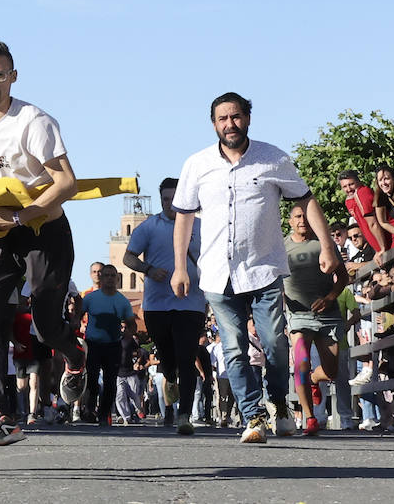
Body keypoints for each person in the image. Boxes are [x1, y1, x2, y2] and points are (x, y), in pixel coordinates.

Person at [171, 91, 341, 444]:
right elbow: (184, 217)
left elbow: (305, 200)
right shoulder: (197, 164)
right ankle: (254, 416)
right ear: (213, 123)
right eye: (222, 119)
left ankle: (278, 403)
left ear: (247, 118)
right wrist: (179, 267)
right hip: (218, 271)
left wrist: (328, 245)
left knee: (275, 346)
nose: (229, 124)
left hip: (263, 269)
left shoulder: (274, 159)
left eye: (235, 117)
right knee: (233, 348)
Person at [0, 40, 85, 447]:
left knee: (45, 328)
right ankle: (1, 414)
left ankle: (75, 356)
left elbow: (66, 181)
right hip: (2, 233)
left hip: (45, 232)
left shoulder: (34, 121)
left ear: (13, 75)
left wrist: (24, 215)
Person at [122, 176, 207, 435]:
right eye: (165, 200)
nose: (170, 204)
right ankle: (169, 376)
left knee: (187, 356)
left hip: (191, 302)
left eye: (174, 199)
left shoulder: (200, 226)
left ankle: (184, 416)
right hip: (157, 304)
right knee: (168, 358)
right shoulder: (149, 227)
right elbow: (128, 257)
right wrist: (148, 269)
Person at [283, 203, 350, 436]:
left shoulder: (324, 244)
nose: (302, 220)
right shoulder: (282, 247)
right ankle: (309, 418)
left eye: (305, 216)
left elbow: (343, 277)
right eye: (297, 217)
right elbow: (272, 281)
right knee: (300, 363)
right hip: (298, 316)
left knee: (332, 372)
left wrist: (330, 298)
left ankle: (314, 378)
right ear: (290, 221)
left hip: (327, 314)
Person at [80, 263, 137, 425]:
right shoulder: (90, 298)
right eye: (107, 275)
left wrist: (127, 334)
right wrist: (78, 325)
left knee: (111, 382)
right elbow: (78, 315)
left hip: (113, 345)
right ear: (101, 278)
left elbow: (131, 324)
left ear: (117, 278)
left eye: (113, 276)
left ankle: (104, 414)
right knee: (91, 379)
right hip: (93, 344)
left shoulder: (122, 301)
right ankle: (89, 410)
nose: (110, 279)